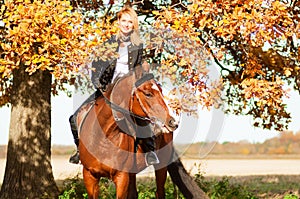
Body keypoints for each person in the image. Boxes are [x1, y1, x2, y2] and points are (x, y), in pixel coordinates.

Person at [68, 6, 159, 166]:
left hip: (128, 90)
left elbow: (137, 70)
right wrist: (102, 88)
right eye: (123, 21)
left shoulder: (137, 46)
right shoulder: (107, 44)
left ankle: (150, 152)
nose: (126, 24)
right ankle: (79, 151)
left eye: (130, 22)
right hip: (106, 89)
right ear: (118, 22)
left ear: (134, 24)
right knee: (74, 118)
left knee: (144, 116)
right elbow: (95, 69)